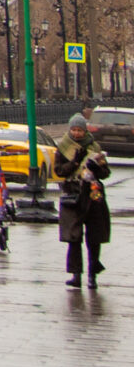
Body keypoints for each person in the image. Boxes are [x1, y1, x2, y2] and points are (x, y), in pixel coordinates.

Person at [57, 113, 111, 287]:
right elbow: (59, 171)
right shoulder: (64, 147)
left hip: (92, 194)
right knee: (73, 236)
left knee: (94, 236)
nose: (77, 133)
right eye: (74, 129)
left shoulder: (94, 147)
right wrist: (74, 162)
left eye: (80, 130)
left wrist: (98, 168)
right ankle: (76, 275)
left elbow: (105, 173)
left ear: (85, 130)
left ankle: (92, 276)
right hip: (73, 194)